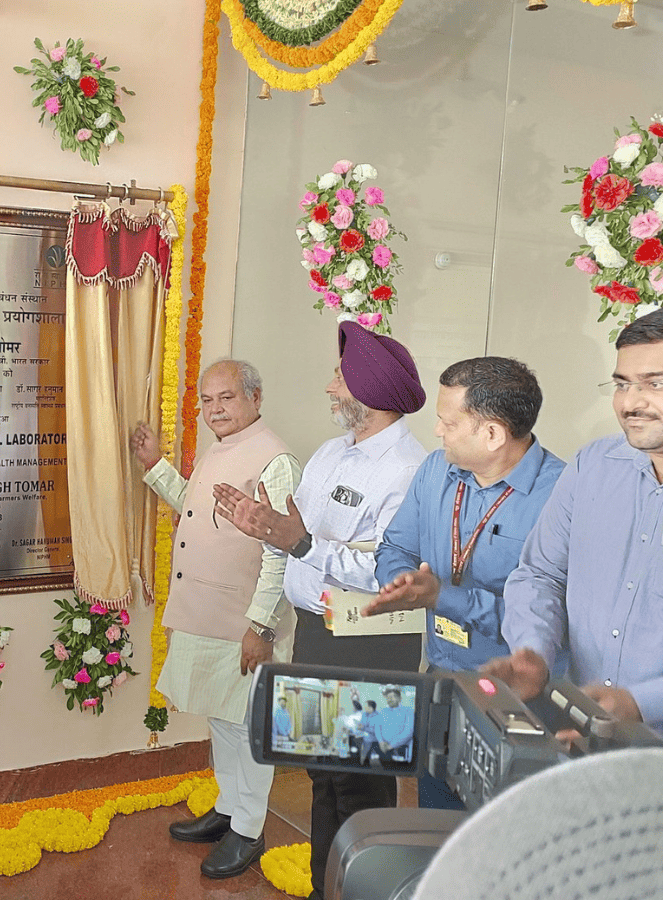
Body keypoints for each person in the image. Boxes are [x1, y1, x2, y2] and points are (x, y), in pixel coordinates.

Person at [214, 322, 428, 900]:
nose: (331, 387)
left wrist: (300, 541)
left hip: (375, 643)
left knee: (363, 787)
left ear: (371, 390)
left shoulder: (411, 469)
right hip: (317, 633)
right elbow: (294, 534)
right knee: (323, 778)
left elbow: (393, 571)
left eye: (341, 376)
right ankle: (321, 891)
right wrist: (262, 526)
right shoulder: (332, 453)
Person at [131, 358, 300, 879]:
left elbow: (282, 552)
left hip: (244, 623)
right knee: (222, 721)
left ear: (255, 397)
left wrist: (262, 627)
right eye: (206, 400)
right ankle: (229, 810)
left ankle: (249, 831)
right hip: (207, 612)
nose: (215, 409)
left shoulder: (276, 460)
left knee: (247, 727)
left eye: (226, 397)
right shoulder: (221, 450)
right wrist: (156, 464)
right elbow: (196, 508)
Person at [369, 357, 564, 807]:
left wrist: (444, 597)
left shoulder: (561, 495)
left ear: (492, 434)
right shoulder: (437, 471)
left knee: (502, 838)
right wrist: (402, 581)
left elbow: (556, 616)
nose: (437, 431)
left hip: (518, 699)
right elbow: (394, 546)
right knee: (438, 821)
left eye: (447, 421)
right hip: (442, 680)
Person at [488, 309, 663, 737]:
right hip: (581, 735)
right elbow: (540, 573)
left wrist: (641, 702)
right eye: (622, 384)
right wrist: (534, 651)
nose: (630, 403)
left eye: (655, 383)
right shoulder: (595, 466)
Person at [373, 688, 415, 764]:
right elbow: (377, 728)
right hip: (383, 749)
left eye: (393, 697)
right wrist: (381, 742)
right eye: (388, 697)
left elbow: (409, 732)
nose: (390, 699)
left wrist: (391, 746)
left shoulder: (408, 711)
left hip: (400, 750)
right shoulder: (382, 711)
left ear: (399, 698)